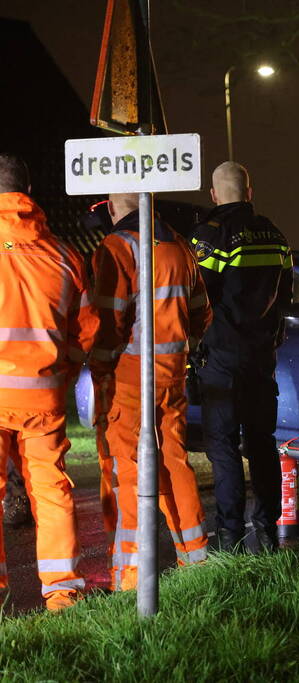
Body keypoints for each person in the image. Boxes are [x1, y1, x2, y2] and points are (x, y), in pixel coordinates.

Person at [89, 193, 212, 591]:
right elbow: (201, 314)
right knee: (175, 462)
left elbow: (107, 325)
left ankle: (130, 577)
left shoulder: (117, 248)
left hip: (129, 382)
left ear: (112, 208)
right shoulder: (179, 246)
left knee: (128, 472)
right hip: (171, 378)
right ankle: (196, 558)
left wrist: (100, 368)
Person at [0, 153, 97, 610]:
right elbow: (88, 331)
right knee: (51, 490)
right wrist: (65, 368)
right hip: (44, 396)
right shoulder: (65, 255)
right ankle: (62, 593)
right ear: (30, 194)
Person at [191, 161, 292, 552]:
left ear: (214, 195)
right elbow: (285, 297)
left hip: (222, 360)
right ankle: (268, 530)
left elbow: (196, 296)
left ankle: (230, 537)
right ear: (249, 193)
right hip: (261, 359)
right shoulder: (276, 235)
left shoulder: (210, 237)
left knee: (223, 448)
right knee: (263, 444)